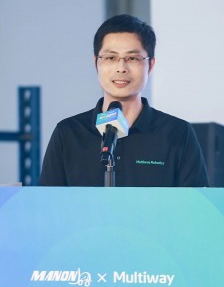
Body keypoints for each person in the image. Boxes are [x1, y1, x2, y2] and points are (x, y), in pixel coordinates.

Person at [38, 14, 209, 187]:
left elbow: (197, 202)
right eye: (111, 58)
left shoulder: (178, 133)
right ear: (96, 63)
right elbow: (46, 201)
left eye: (132, 58)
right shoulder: (68, 134)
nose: (121, 68)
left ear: (150, 65)